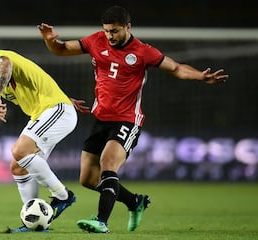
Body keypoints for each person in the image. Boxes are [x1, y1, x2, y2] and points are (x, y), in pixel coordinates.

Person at [38, 5, 229, 233]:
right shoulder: (96, 41)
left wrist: (200, 76)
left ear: (128, 27)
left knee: (108, 166)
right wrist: (49, 40)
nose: (110, 36)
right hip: (101, 119)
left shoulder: (143, 51)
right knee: (88, 179)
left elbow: (176, 68)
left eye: (115, 31)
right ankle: (135, 202)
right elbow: (61, 50)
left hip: (127, 120)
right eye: (107, 30)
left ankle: (101, 221)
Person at [0, 49, 79, 232]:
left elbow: (6, 63)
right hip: (46, 112)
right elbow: (34, 78)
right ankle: (33, 222)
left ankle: (63, 196)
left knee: (20, 150)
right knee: (18, 166)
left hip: (55, 109)